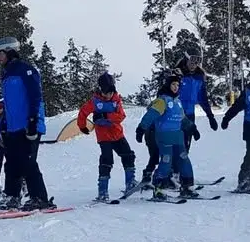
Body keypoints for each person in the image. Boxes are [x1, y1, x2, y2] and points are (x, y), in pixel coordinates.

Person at [0, 36, 53, 211]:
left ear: (9, 52)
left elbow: (35, 96)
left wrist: (33, 120)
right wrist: (4, 126)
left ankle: (39, 198)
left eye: (0, 53)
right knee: (11, 162)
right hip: (13, 126)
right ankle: (12, 196)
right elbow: (10, 103)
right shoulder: (5, 73)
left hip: (28, 124)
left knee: (27, 162)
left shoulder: (26, 70)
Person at [135, 73, 200, 200]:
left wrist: (193, 128)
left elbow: (183, 119)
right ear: (168, 85)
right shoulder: (162, 101)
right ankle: (159, 189)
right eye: (173, 84)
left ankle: (187, 187)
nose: (176, 87)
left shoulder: (178, 102)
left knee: (184, 160)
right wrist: (141, 129)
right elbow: (150, 115)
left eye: (177, 85)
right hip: (164, 136)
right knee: (166, 161)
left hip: (178, 137)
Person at [76, 72, 136, 201]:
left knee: (128, 155)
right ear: (100, 90)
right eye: (105, 93)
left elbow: (121, 116)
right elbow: (83, 112)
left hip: (117, 134)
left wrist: (106, 117)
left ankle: (130, 182)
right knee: (106, 161)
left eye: (109, 92)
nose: (107, 95)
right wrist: (82, 126)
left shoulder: (116, 100)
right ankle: (102, 191)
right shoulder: (95, 101)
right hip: (104, 137)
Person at [177, 52, 219, 151]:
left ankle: (181, 165)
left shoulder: (199, 78)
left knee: (185, 149)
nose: (193, 65)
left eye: (196, 63)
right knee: (172, 148)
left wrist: (210, 117)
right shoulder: (178, 75)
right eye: (191, 62)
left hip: (190, 115)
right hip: (175, 115)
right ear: (186, 61)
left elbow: (202, 99)